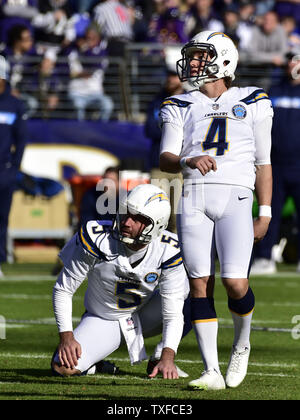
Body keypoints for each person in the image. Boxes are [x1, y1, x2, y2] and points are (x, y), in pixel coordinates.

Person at [159, 30, 273, 390]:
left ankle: (242, 343)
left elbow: (264, 162)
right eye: (191, 56)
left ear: (223, 59)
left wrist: (266, 210)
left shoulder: (252, 99)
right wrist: (188, 159)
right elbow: (166, 160)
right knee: (199, 283)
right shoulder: (178, 104)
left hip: (237, 195)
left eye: (200, 56)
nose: (192, 63)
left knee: (235, 283)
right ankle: (211, 371)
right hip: (193, 195)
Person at [51, 183, 190, 379]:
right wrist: (66, 337)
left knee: (193, 298)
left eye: (137, 218)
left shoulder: (168, 249)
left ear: (156, 225)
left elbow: (173, 312)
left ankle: (158, 359)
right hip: (103, 319)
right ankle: (95, 364)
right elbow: (63, 290)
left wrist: (168, 355)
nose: (127, 221)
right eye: (126, 213)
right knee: (63, 367)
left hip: (144, 312)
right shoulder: (98, 238)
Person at [251, 51, 300, 274]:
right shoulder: (275, 90)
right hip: (276, 164)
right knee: (269, 211)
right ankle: (264, 257)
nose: (294, 64)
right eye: (292, 59)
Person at [0, 55, 28, 277]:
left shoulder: (14, 104)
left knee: (1, 216)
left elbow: (21, 140)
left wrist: (14, 168)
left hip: (4, 170)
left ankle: (0, 258)